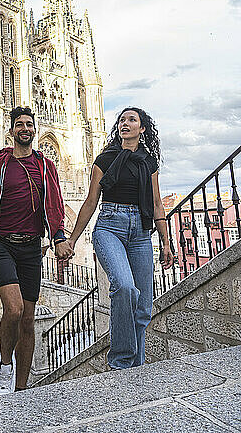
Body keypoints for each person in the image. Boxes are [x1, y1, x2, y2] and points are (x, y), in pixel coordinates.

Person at [0, 106, 74, 394]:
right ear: (11, 130)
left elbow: (55, 205)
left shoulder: (46, 166)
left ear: (34, 130)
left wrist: (59, 236)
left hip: (31, 248)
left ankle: (21, 388)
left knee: (28, 319)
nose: (25, 128)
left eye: (29, 124)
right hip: (1, 245)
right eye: (19, 124)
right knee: (14, 309)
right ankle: (4, 367)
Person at [68, 107, 173, 370]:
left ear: (142, 128)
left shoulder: (148, 162)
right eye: (122, 120)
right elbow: (91, 201)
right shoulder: (105, 159)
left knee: (144, 308)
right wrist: (72, 239)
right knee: (125, 287)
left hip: (140, 231)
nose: (125, 123)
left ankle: (137, 367)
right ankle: (120, 363)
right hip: (109, 227)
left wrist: (166, 242)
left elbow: (157, 203)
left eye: (131, 120)